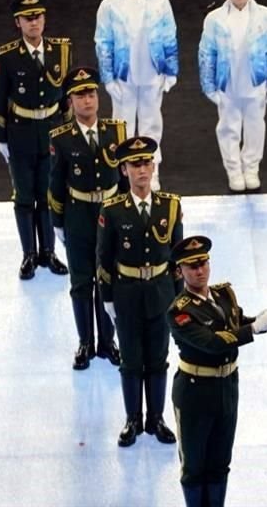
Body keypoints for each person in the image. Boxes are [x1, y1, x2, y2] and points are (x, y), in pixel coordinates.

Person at [167, 235, 267, 507]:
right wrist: (252, 329)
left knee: (220, 462)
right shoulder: (179, 311)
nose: (200, 270)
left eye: (203, 263)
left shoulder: (224, 294)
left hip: (227, 387)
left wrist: (256, 320)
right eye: (192, 266)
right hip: (195, 392)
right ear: (180, 271)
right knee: (194, 466)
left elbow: (235, 321)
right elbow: (212, 343)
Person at [97, 136, 182, 447]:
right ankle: (133, 419)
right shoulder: (113, 210)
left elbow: (177, 258)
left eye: (146, 162)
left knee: (158, 358)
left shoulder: (170, 206)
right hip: (127, 293)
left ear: (153, 165)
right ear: (124, 170)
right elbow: (103, 259)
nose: (142, 169)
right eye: (135, 164)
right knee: (132, 359)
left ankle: (156, 418)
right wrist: (107, 298)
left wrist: (178, 296)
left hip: (160, 293)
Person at [48, 67, 126, 370]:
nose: (88, 100)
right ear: (70, 101)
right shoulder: (62, 138)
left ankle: (108, 342)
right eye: (80, 95)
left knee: (109, 280)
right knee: (82, 283)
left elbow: (122, 180)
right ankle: (85, 342)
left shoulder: (115, 132)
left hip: (109, 213)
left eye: (91, 93)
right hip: (78, 216)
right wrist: (57, 222)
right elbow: (55, 184)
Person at [0, 0, 71, 279]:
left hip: (50, 131)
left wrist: (68, 132)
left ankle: (48, 252)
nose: (34, 22)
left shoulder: (60, 50)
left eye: (37, 17)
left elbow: (66, 98)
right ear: (18, 22)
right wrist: (1, 138)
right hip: (20, 132)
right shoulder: (8, 56)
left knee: (48, 194)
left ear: (44, 19)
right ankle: (28, 254)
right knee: (25, 196)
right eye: (28, 18)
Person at [94, 0, 179, 191]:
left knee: (152, 122)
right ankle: (125, 173)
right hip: (124, 74)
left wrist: (170, 70)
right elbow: (103, 42)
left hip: (152, 70)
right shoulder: (109, 5)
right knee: (124, 124)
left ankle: (152, 171)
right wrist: (108, 77)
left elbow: (169, 34)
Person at [198, 0, 267, 192]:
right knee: (228, 127)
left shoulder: (264, 15)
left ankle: (252, 168)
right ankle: (234, 170)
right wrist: (209, 85)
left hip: (255, 81)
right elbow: (207, 53)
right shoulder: (215, 19)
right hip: (228, 83)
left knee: (256, 126)